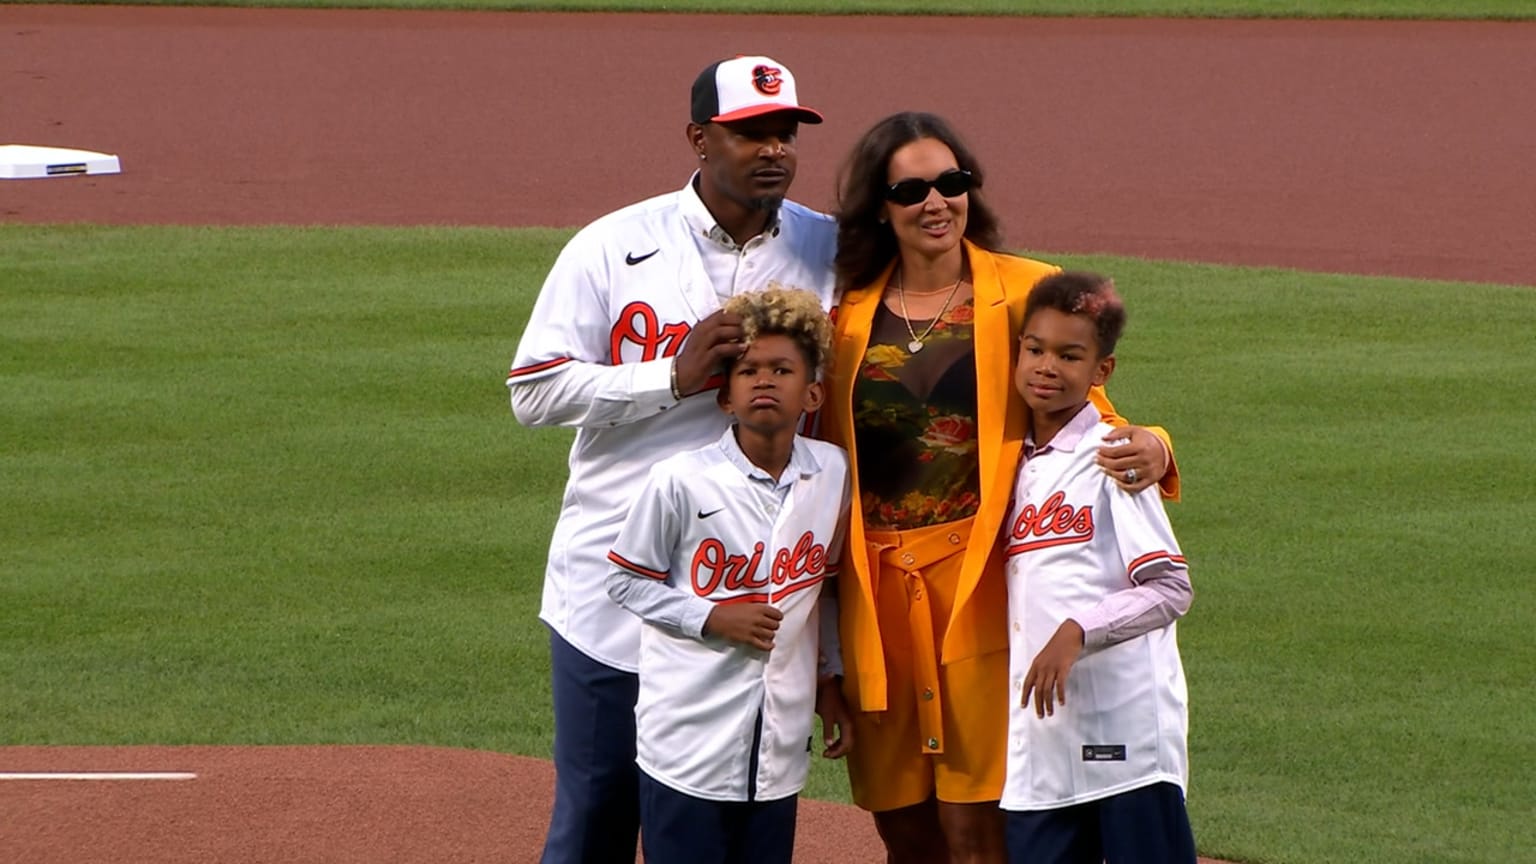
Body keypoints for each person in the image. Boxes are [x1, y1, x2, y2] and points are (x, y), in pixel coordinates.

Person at [820, 111, 1181, 864]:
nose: (935, 202)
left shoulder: (1023, 287)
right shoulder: (845, 314)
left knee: (979, 824)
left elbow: (1090, 406)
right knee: (903, 825)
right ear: (879, 207)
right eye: (911, 188)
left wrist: (1155, 442)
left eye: (950, 183)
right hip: (876, 600)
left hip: (978, 589)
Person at [504, 56, 836, 863]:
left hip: (756, 595)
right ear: (698, 138)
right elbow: (533, 393)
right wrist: (670, 377)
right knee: (597, 818)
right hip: (614, 586)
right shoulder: (613, 246)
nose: (774, 150)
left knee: (733, 830)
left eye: (784, 134)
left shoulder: (830, 250)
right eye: (749, 133)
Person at [605, 287, 854, 864]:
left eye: (781, 369)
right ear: (726, 396)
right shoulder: (682, 480)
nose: (763, 380)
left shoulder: (832, 473)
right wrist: (711, 615)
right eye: (748, 370)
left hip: (778, 748)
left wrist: (830, 682)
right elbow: (624, 580)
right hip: (686, 744)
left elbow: (824, 593)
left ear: (812, 391)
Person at [1002, 271, 1196, 864]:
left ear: (1100, 371)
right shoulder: (1008, 466)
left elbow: (1170, 587)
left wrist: (1078, 630)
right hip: (1041, 743)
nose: (1045, 367)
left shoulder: (1115, 455)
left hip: (1126, 737)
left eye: (1069, 355)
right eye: (1034, 349)